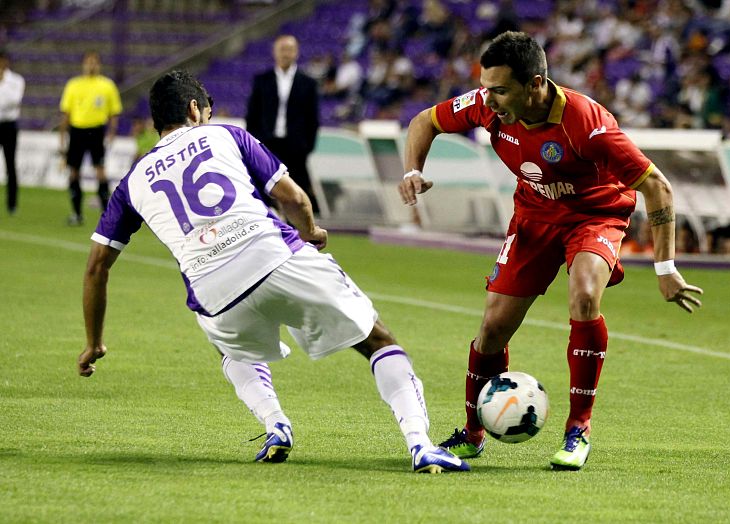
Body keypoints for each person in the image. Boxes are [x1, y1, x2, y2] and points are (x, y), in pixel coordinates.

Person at [77, 70, 468, 474]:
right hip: (275, 257)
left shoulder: (132, 181)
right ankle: (420, 444)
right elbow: (293, 198)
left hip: (213, 291)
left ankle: (276, 424)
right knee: (376, 338)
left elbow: (95, 268)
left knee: (230, 347)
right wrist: (311, 232)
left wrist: (93, 343)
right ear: (195, 110)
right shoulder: (227, 135)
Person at [398, 32, 704, 471]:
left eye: (501, 90)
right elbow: (424, 121)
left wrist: (666, 266)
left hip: (595, 215)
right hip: (534, 217)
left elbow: (657, 186)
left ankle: (578, 428)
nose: (490, 100)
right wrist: (413, 170)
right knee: (493, 327)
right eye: (487, 87)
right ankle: (472, 433)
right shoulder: (488, 104)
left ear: (535, 84)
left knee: (583, 294)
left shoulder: (586, 124)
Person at [245, 35, 321, 214]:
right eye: (282, 50)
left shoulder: (308, 83)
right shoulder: (261, 81)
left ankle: (300, 233)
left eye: (289, 50)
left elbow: (313, 119)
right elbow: (252, 115)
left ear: (296, 52)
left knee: (297, 192)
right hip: (267, 144)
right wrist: (255, 143)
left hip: (296, 147)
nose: (285, 54)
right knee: (264, 188)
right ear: (274, 52)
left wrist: (306, 146)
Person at [59, 51, 122, 226]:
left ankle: (107, 215)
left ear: (99, 64)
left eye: (94, 62)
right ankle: (77, 213)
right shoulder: (73, 85)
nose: (91, 65)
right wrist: (62, 136)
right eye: (88, 62)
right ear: (83, 64)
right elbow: (65, 113)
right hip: (77, 130)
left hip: (96, 131)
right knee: (74, 172)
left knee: (100, 170)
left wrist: (111, 132)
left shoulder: (107, 85)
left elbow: (114, 113)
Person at [0, 50, 25, 215]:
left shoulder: (16, 80)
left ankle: (12, 204)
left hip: (9, 125)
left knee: (10, 164)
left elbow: (13, 101)